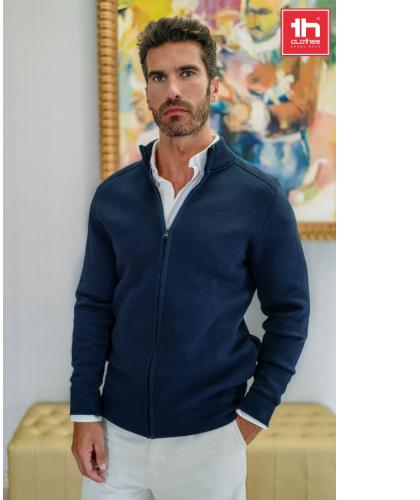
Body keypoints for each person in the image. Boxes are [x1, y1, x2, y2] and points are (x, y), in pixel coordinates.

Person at [70, 16, 310, 500]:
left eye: (187, 73)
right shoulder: (113, 197)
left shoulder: (259, 198)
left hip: (210, 439)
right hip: (116, 437)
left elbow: (290, 312)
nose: (173, 89)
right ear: (147, 90)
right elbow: (94, 305)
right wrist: (84, 412)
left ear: (213, 85)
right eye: (158, 77)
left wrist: (254, 413)